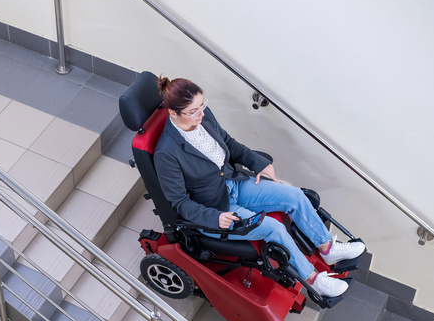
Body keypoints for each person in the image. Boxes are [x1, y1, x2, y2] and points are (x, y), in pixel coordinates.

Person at [154, 76, 365, 298]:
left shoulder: (203, 119)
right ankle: (313, 280)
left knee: (294, 196)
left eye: (202, 105)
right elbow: (179, 202)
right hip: (216, 207)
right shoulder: (167, 153)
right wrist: (214, 218)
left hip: (233, 183)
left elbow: (230, 143)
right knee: (274, 228)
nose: (202, 113)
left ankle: (328, 249)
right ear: (173, 113)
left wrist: (259, 163)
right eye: (193, 111)